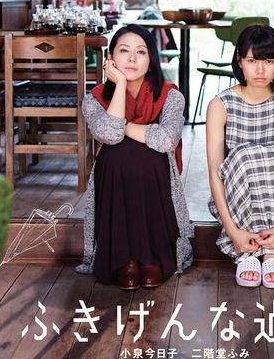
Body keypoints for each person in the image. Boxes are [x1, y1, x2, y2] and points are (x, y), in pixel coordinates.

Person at [76, 24, 193, 289]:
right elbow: (109, 134)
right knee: (116, 155)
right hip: (114, 172)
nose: (131, 59)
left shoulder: (171, 96)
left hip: (154, 174)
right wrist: (119, 85)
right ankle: (122, 259)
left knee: (148, 157)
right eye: (124, 51)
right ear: (111, 59)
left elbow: (166, 140)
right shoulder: (94, 99)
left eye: (140, 52)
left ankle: (153, 256)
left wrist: (125, 127)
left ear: (151, 60)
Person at [206, 24, 274, 288]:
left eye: (268, 61)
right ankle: (247, 251)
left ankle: (273, 252)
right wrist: (233, 232)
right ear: (240, 61)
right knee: (243, 156)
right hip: (237, 204)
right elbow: (215, 173)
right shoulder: (220, 105)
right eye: (252, 61)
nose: (260, 70)